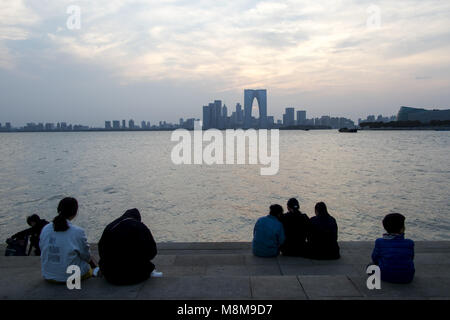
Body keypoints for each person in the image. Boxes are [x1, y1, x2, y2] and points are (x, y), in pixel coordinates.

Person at [39, 197, 99, 283]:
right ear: (75, 213)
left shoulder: (45, 229)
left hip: (48, 276)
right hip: (71, 277)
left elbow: (42, 248)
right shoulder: (77, 231)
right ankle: (96, 270)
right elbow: (86, 256)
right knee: (89, 259)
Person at [98, 208, 161, 285]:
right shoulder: (141, 227)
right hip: (136, 276)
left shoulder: (110, 227)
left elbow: (101, 249)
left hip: (111, 276)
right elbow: (152, 252)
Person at [371, 213, 415, 283]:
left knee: (370, 266)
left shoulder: (379, 242)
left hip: (385, 276)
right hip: (407, 277)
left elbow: (375, 258)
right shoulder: (410, 243)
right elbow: (411, 257)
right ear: (402, 229)